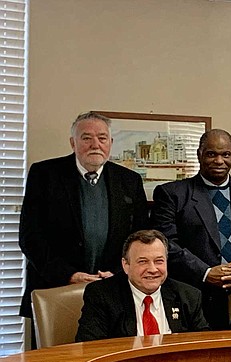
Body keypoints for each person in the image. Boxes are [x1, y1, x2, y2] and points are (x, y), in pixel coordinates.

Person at [19, 112, 149, 327]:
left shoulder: (129, 180)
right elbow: (30, 237)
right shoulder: (44, 174)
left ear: (111, 142)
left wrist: (118, 273)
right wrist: (69, 275)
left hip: (113, 290)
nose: (95, 144)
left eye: (102, 138)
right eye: (86, 138)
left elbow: (140, 237)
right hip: (55, 289)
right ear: (73, 143)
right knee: (55, 358)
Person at [151, 129, 231, 329]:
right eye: (212, 154)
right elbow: (165, 244)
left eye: (225, 154)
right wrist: (206, 272)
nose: (219, 160)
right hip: (195, 296)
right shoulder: (172, 194)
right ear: (199, 154)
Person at [76, 230, 209, 342]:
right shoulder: (102, 295)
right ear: (125, 265)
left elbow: (205, 346)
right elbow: (89, 348)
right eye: (143, 262)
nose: (152, 269)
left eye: (159, 261)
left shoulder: (188, 296)